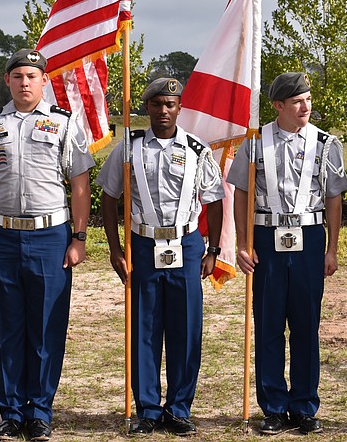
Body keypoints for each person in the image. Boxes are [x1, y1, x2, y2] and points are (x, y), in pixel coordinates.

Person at [0, 48, 95, 441]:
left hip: (51, 238)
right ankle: (11, 412)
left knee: (47, 326)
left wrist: (79, 238)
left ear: (43, 81)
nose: (24, 83)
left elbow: (80, 185)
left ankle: (40, 411)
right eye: (17, 76)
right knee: (7, 327)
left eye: (32, 76)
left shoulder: (64, 124)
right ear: (7, 80)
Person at [97, 77, 224, 437]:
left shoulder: (198, 149)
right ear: (147, 108)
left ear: (179, 108)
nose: (164, 111)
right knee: (145, 330)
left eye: (170, 104)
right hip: (143, 245)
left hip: (185, 246)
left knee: (185, 330)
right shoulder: (129, 148)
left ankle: (179, 408)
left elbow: (214, 201)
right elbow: (109, 196)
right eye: (157, 105)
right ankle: (149, 410)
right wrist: (115, 248)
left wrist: (213, 249)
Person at [229, 72, 347, 435]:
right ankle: (274, 407)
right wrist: (243, 243)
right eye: (297, 101)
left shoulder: (326, 144)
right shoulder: (254, 143)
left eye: (308, 100)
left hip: (309, 237)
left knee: (305, 326)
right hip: (267, 237)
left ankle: (304, 406)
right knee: (268, 325)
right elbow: (241, 193)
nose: (306, 107)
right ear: (278, 105)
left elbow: (334, 198)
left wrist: (332, 248)